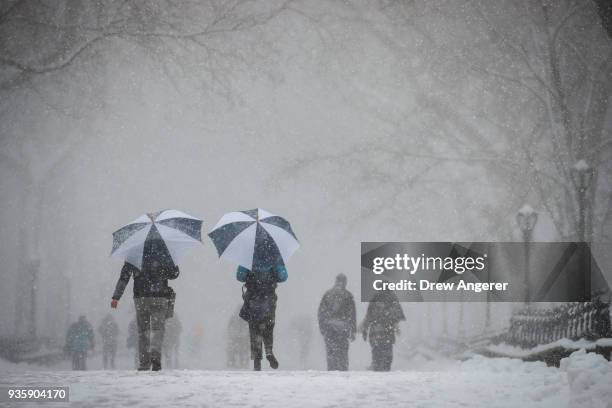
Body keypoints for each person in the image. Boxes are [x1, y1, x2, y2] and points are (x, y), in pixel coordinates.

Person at [111, 239, 179, 371]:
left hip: (141, 297)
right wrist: (172, 265)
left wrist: (116, 297)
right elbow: (174, 274)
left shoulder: (134, 252)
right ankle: (155, 352)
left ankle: (144, 362)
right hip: (160, 296)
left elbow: (124, 277)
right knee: (158, 329)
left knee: (143, 331)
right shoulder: (164, 251)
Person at [237, 263, 287, 371]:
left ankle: (257, 360)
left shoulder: (248, 256)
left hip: (253, 298)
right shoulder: (274, 257)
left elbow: (239, 276)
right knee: (269, 325)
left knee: (254, 328)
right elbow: (283, 276)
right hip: (269, 298)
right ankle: (269, 351)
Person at [318, 273, 356, 371]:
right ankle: (343, 372)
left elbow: (321, 312)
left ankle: (331, 372)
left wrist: (322, 327)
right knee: (342, 353)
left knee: (331, 352)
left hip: (329, 328)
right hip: (343, 328)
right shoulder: (348, 295)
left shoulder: (327, 294)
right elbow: (352, 314)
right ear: (345, 282)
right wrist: (353, 330)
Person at [361, 289, 405, 371]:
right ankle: (385, 370)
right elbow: (398, 316)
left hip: (375, 332)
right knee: (387, 354)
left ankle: (377, 367)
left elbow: (368, 317)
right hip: (388, 332)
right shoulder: (392, 298)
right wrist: (395, 327)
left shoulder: (374, 298)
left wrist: (365, 331)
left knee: (376, 352)